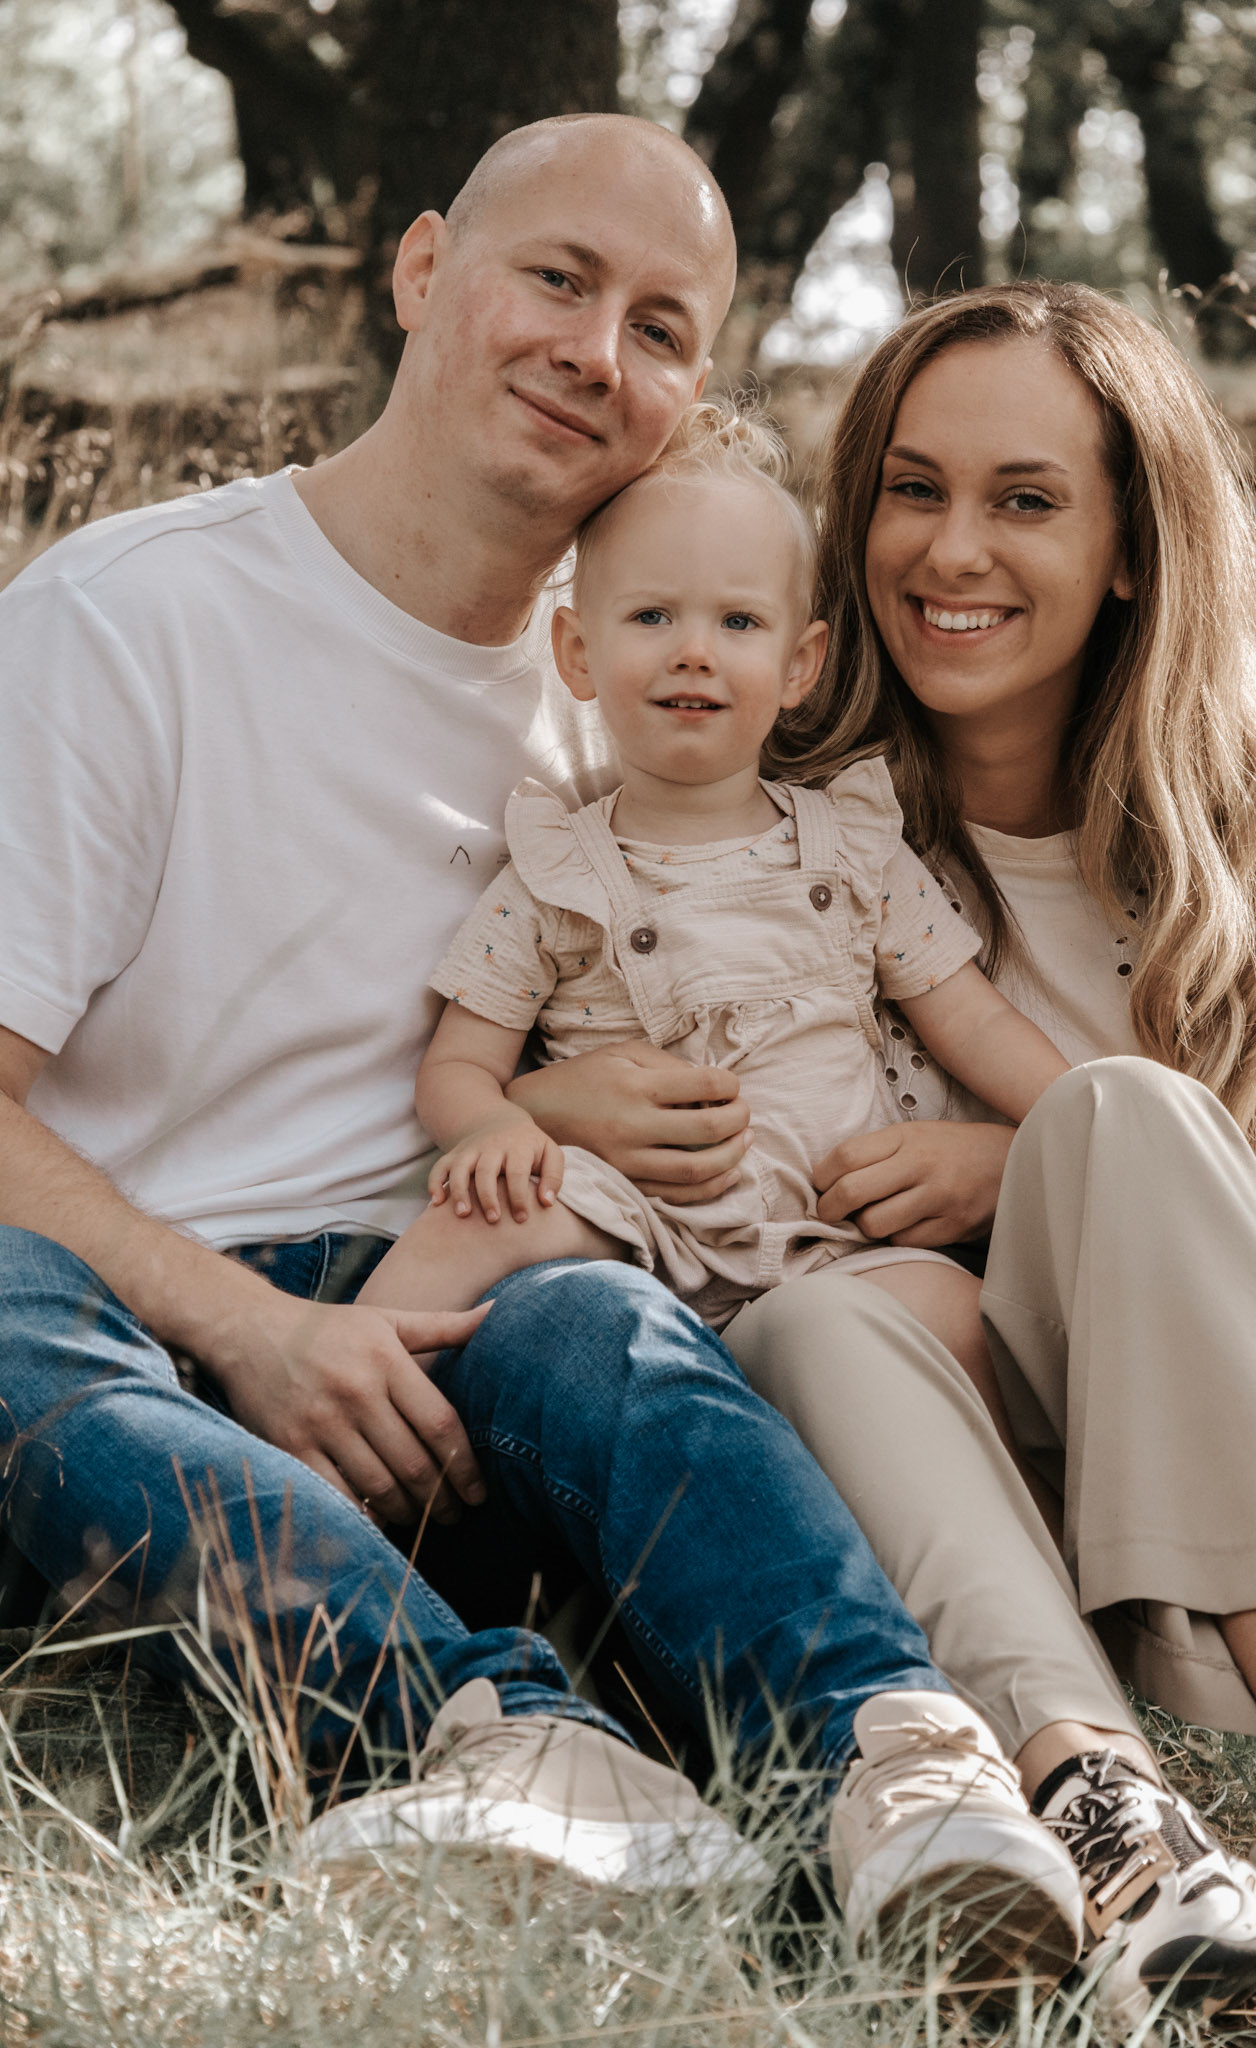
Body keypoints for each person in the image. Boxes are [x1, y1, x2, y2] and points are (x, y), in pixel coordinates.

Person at [0, 114, 1110, 1988]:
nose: (598, 353)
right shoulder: (129, 625)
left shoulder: (648, 681)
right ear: (424, 268)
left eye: (661, 328)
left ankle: (897, 1762)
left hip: (493, 1352)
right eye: (559, 280)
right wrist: (257, 1330)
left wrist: (547, 1110)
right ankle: (500, 1731)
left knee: (601, 1319)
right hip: (151, 1377)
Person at [671, 279, 1256, 2005]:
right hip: (904, 1479)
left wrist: (1025, 1168)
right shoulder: (768, 802)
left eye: (1025, 500)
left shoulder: (1243, 831)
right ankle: (1109, 1814)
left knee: (1115, 1110)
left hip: (1196, 1491)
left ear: (1130, 548)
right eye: (911, 490)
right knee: (825, 1315)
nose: (951, 550)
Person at [353, 402, 1068, 1403]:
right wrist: (490, 1129)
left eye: (737, 622)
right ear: (577, 652)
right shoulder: (556, 873)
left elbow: (975, 1021)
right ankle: (342, 1406)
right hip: (628, 1217)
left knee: (964, 1323)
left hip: (838, 1230)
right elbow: (459, 1064)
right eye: (652, 616)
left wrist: (1076, 1125)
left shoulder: (854, 846)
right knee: (473, 1219)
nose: (693, 651)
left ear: (798, 664)